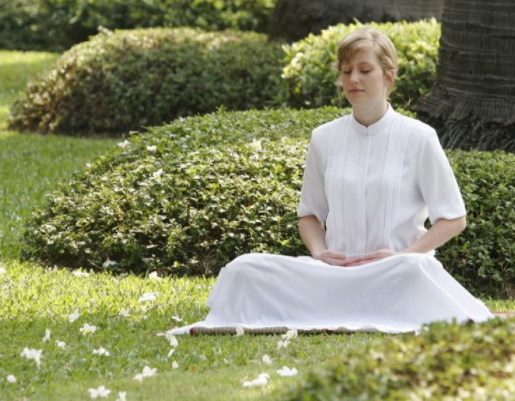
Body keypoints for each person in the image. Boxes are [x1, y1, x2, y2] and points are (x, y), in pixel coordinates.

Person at [171, 27, 492, 335]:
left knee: (417, 270)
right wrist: (320, 252)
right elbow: (309, 214)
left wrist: (404, 255)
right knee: (244, 268)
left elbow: (453, 219)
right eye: (346, 70)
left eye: (365, 70)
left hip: (396, 275)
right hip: (335, 276)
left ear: (388, 75)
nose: (353, 79)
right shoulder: (324, 138)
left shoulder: (420, 137)